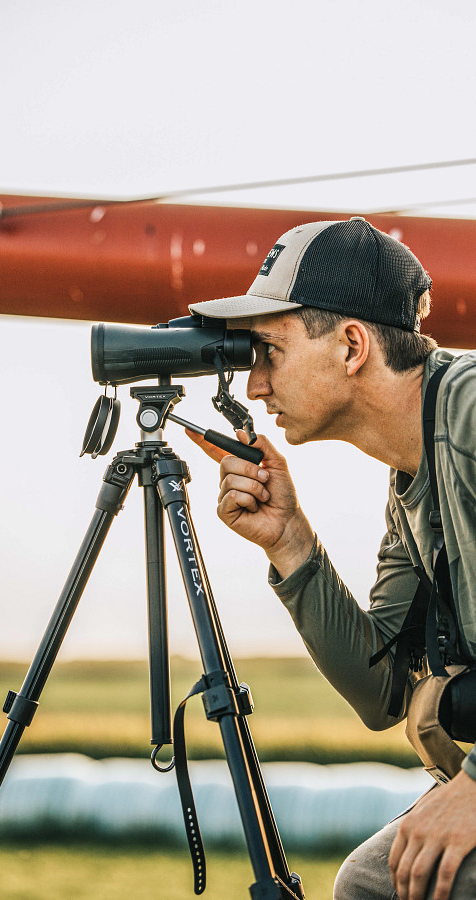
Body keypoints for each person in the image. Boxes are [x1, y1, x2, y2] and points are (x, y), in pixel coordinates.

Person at [187, 217, 476, 900]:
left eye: (270, 351)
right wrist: (289, 540)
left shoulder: (469, 407)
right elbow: (383, 696)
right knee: (374, 880)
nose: (255, 385)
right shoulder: (414, 470)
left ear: (351, 346)